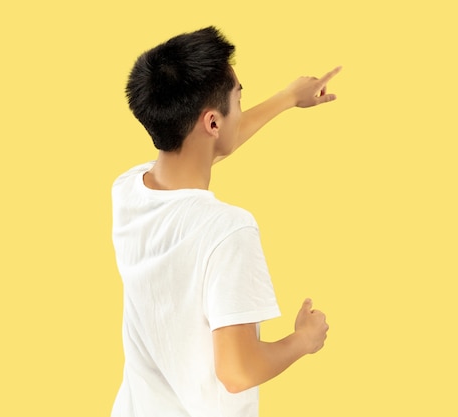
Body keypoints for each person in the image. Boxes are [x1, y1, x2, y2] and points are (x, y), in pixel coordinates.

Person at [111, 26, 341, 417]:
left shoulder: (128, 190)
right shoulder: (227, 231)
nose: (240, 104)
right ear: (213, 123)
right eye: (239, 97)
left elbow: (206, 150)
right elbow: (238, 371)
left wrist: (287, 98)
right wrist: (305, 340)